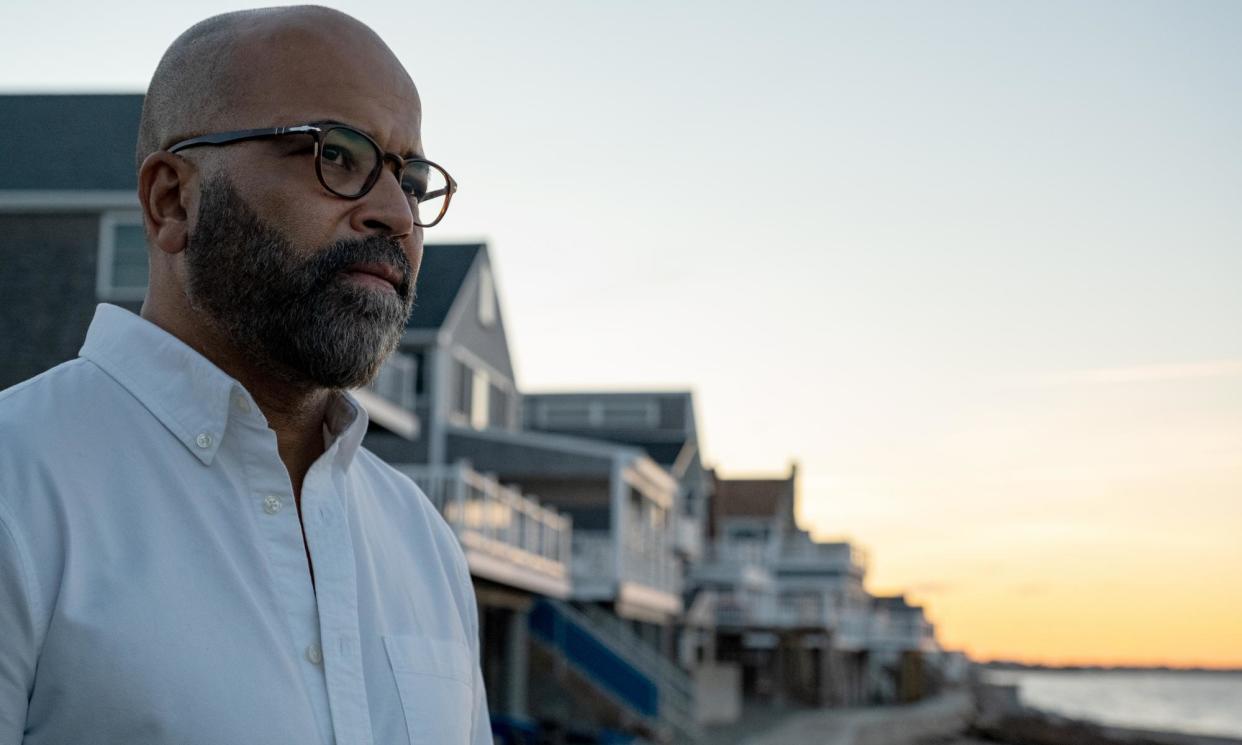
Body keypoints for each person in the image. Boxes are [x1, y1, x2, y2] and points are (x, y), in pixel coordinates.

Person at [0, 6, 489, 744]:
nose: (395, 213)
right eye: (336, 154)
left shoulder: (423, 540)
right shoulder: (17, 487)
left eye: (412, 180)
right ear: (173, 201)